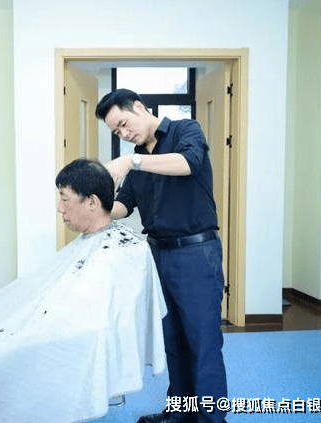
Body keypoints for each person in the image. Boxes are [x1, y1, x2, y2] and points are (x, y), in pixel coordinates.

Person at [0, 158, 167, 423]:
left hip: (56, 335)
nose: (59, 208)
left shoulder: (120, 253)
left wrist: (27, 331)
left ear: (92, 202)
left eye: (65, 199)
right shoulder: (98, 240)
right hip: (42, 320)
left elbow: (88, 323)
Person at [95, 89, 228, 423]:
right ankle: (181, 413)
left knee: (204, 341)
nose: (124, 134)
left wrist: (131, 161)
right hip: (157, 256)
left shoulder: (185, 130)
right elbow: (124, 205)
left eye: (124, 124)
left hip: (196, 254)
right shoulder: (138, 160)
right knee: (173, 341)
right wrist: (92, 211)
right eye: (116, 132)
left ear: (139, 107)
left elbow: (188, 163)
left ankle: (212, 419)